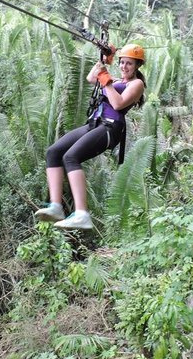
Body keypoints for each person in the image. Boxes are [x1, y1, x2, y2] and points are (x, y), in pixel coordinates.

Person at [34, 43, 147, 230]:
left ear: (137, 66)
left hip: (111, 127)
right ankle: (56, 207)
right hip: (95, 123)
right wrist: (103, 60)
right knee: (53, 152)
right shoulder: (117, 80)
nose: (124, 67)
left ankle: (82, 214)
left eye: (129, 64)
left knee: (71, 157)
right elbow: (90, 78)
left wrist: (106, 80)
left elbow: (118, 104)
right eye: (122, 63)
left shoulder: (137, 84)